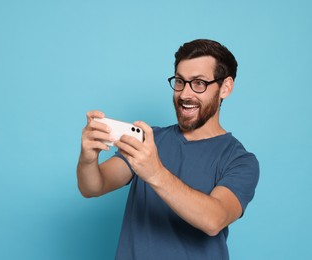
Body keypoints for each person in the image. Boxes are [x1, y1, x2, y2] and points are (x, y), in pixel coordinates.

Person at [76, 39, 259, 260]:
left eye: (199, 83)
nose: (184, 94)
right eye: (180, 81)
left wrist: (154, 172)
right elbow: (93, 187)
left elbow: (214, 220)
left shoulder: (240, 160)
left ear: (225, 88)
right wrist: (88, 157)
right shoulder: (149, 140)